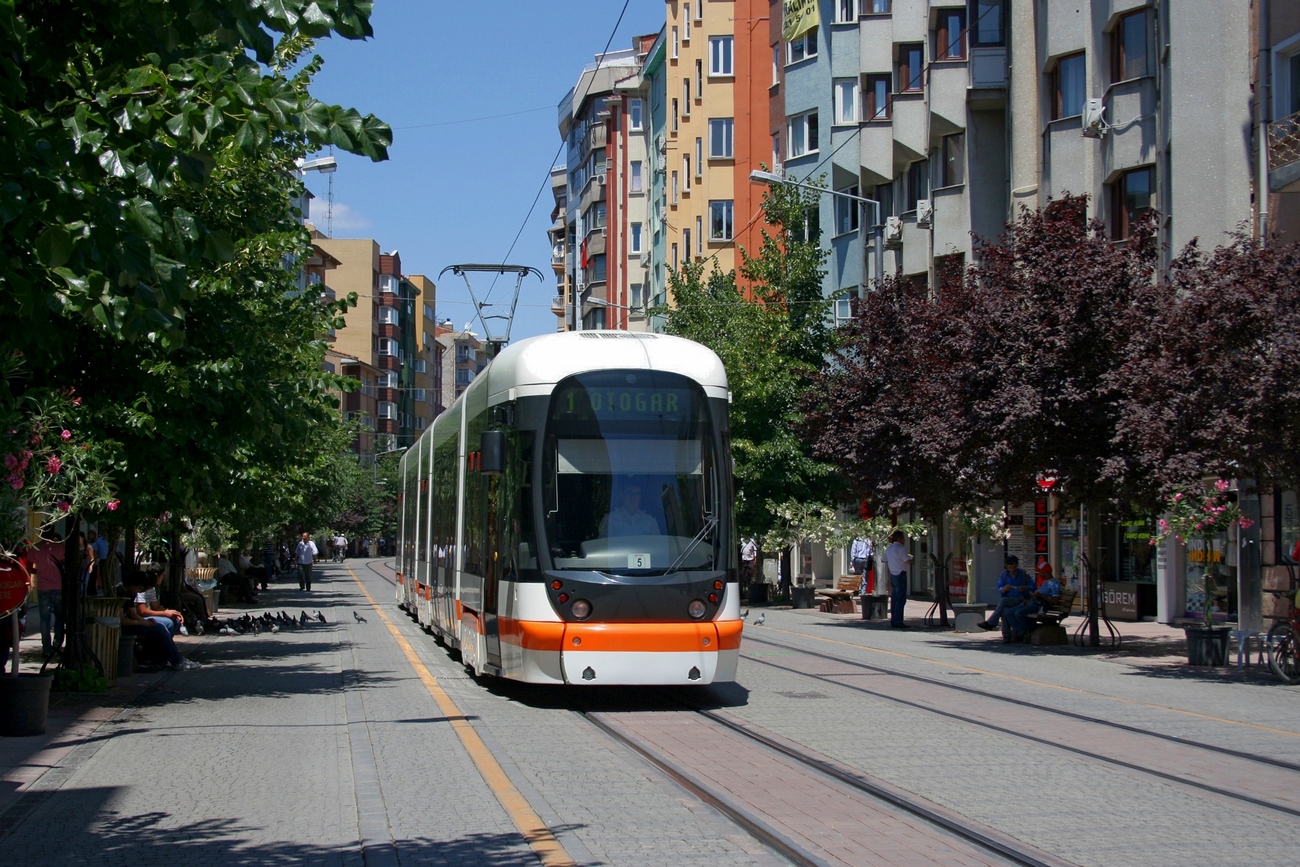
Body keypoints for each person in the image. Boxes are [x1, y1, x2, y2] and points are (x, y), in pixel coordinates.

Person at [121, 573, 199, 671]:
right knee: (159, 627)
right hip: (126, 625)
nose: (138, 592)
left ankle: (160, 658)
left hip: (134, 621)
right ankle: (177, 661)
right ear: (132, 584)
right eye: (138, 588)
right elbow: (122, 620)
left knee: (168, 623)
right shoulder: (120, 592)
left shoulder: (131, 594)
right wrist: (142, 622)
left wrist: (147, 621)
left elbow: (134, 614)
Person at [1006, 563, 1063, 642]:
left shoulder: (1054, 583)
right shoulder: (1045, 583)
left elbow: (1055, 600)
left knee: (1019, 613)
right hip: (1033, 602)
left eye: (1040, 572)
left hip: (1040, 605)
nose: (1039, 574)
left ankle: (1023, 633)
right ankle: (1021, 633)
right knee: (1009, 612)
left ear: (1046, 572)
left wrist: (1040, 595)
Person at [30, 531, 65, 657]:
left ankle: (47, 649)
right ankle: (57, 643)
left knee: (44, 619)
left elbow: (30, 564)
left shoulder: (36, 547)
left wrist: (36, 573)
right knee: (60, 616)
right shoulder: (60, 546)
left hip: (43, 587)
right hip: (58, 586)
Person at [979, 555, 1036, 631]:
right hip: (1009, 599)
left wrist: (1025, 587)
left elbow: (1033, 586)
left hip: (1021, 598)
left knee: (1004, 601)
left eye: (1014, 567)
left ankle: (991, 622)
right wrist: (1004, 589)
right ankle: (1007, 636)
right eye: (1010, 568)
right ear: (1006, 566)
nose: (1012, 570)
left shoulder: (1022, 574)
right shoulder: (1004, 575)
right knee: (1004, 611)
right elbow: (1000, 589)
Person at [883, 531, 913, 629]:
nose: (904, 540)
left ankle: (893, 619)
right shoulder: (900, 548)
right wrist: (910, 559)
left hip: (893, 574)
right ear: (899, 539)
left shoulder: (890, 548)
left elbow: (883, 559)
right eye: (903, 538)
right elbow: (907, 561)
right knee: (900, 599)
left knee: (894, 599)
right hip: (900, 574)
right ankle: (898, 621)